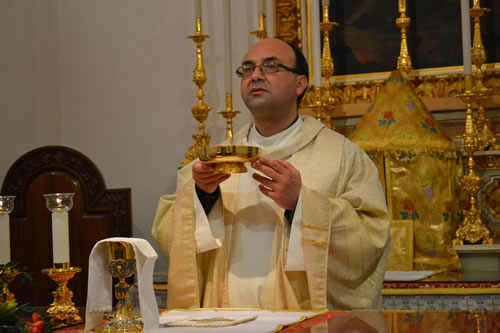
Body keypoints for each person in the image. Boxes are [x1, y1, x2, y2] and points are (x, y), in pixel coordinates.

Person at [152, 38, 390, 310]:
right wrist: (202, 197)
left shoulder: (343, 156)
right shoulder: (216, 159)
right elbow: (168, 234)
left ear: (300, 84)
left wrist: (301, 204)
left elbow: (372, 238)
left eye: (270, 66)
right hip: (227, 318)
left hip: (301, 319)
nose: (255, 75)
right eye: (247, 69)